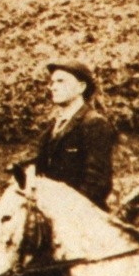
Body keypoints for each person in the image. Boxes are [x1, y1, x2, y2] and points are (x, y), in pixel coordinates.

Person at [28, 60, 117, 208]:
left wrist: (66, 208)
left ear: (81, 87)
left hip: (80, 215)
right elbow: (37, 161)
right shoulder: (53, 126)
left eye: (61, 81)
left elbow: (98, 183)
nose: (53, 87)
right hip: (51, 210)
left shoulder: (94, 123)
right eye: (52, 82)